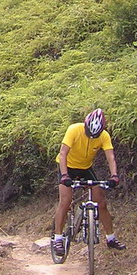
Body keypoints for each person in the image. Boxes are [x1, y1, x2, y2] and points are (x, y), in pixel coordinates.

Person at [51, 108, 125, 257]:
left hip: (85, 168)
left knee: (101, 202)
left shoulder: (104, 136)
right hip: (68, 166)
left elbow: (110, 157)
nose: (91, 137)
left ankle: (111, 238)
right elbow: (63, 153)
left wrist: (114, 176)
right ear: (85, 125)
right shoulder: (74, 130)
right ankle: (58, 239)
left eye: (95, 135)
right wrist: (64, 175)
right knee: (65, 201)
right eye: (89, 133)